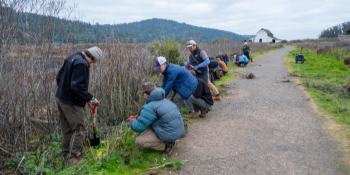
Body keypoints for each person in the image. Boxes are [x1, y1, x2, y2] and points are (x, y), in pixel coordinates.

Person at [56, 46, 103, 164]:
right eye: (94, 61)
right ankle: (73, 157)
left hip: (61, 99)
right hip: (72, 103)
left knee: (67, 130)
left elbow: (58, 77)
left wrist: (64, 92)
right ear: (91, 57)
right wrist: (91, 98)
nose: (92, 64)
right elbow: (76, 86)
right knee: (79, 129)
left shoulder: (71, 57)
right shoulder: (82, 63)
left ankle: (65, 155)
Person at [129, 82, 184, 155]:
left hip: (170, 134)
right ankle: (169, 141)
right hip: (179, 130)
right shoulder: (166, 100)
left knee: (139, 141)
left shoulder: (149, 107)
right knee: (151, 123)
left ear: (145, 94)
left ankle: (168, 145)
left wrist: (132, 119)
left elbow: (138, 128)